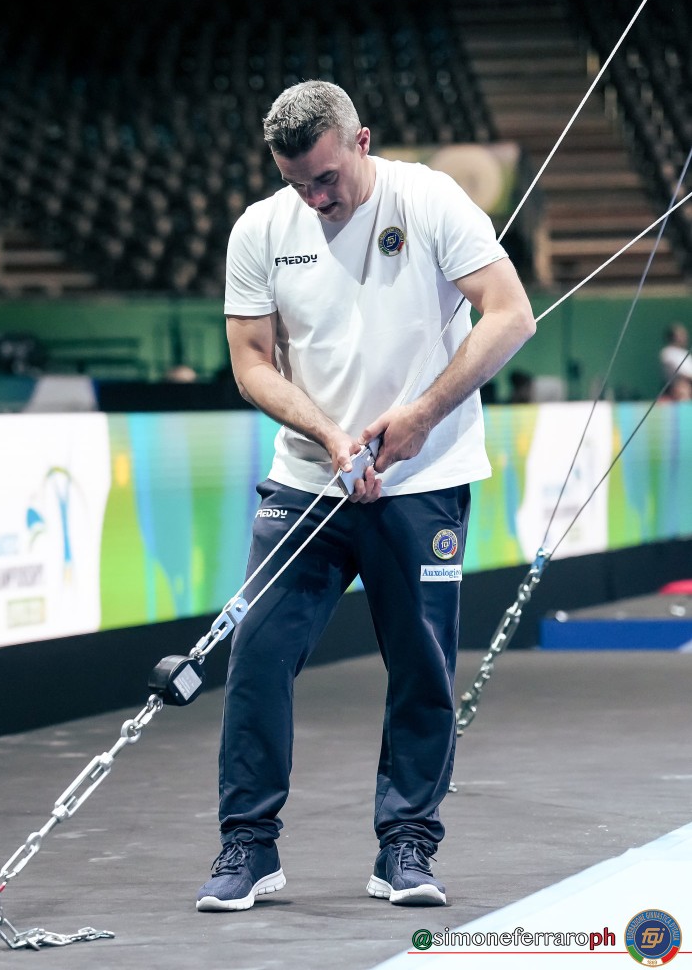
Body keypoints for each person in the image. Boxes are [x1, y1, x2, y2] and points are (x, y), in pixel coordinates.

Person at [199, 81, 535, 913]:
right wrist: (325, 432)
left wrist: (423, 415)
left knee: (421, 667)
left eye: (326, 179)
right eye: (296, 183)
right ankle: (248, 845)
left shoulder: (429, 199)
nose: (315, 199)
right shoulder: (261, 229)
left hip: (422, 481)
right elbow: (250, 362)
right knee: (257, 659)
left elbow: (510, 315)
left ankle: (406, 846)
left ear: (361, 141)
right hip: (307, 482)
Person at [661, 323, 691, 401]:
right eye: (681, 334)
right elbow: (683, 373)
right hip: (676, 386)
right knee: (682, 388)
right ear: (673, 337)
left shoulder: (685, 353)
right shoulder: (668, 352)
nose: (685, 337)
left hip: (688, 386)